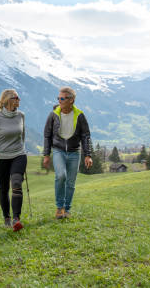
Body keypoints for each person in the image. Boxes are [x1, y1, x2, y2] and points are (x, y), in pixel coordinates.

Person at [43, 86, 92, 219]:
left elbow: (85, 136)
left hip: (74, 152)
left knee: (70, 183)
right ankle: (59, 208)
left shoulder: (79, 115)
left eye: (62, 98)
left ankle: (67, 209)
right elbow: (47, 135)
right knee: (60, 176)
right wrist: (46, 154)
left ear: (71, 100)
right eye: (58, 98)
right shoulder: (54, 114)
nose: (59, 100)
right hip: (58, 151)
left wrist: (88, 155)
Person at [0, 89, 27, 231]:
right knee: (4, 189)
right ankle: (7, 217)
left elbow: (23, 136)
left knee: (16, 182)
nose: (19, 100)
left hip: (19, 155)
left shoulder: (21, 115)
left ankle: (16, 218)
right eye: (16, 97)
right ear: (8, 100)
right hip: (1, 158)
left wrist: (23, 150)